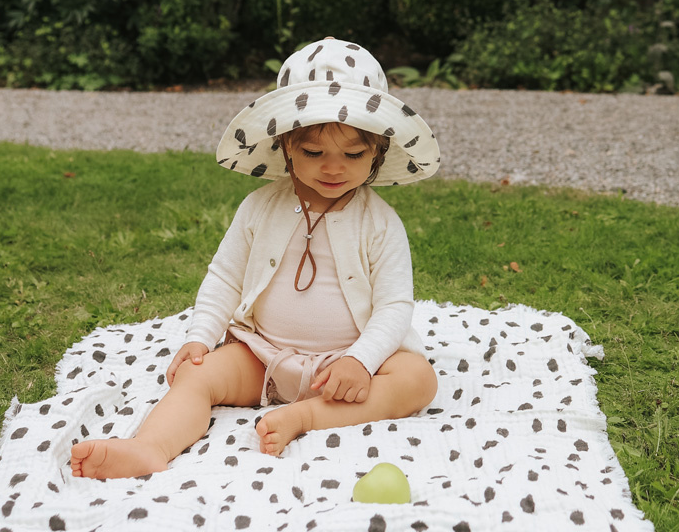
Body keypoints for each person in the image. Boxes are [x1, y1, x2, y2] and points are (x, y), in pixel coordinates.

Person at [71, 37, 441, 479]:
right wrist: (201, 337)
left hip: (346, 365)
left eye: (354, 154)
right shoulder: (260, 208)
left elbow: (395, 305)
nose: (333, 167)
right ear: (286, 145)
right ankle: (151, 446)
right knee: (195, 375)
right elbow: (225, 278)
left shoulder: (380, 223)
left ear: (378, 150)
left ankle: (307, 416)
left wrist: (361, 360)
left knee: (418, 379)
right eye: (314, 152)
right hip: (263, 355)